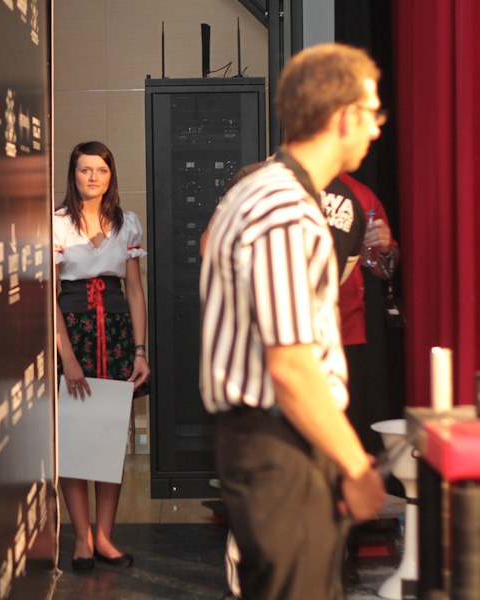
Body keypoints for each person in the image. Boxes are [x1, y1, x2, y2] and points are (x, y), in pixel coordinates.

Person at [200, 43, 387, 600]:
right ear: (344, 115)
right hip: (280, 444)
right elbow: (290, 367)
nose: (376, 129)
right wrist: (357, 467)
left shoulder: (257, 191)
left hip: (274, 441)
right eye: (372, 114)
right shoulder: (284, 207)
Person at [53, 140, 150, 573]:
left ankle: (106, 537)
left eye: (101, 171)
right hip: (72, 331)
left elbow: (134, 290)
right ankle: (81, 539)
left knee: (111, 439)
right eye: (84, 170)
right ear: (72, 175)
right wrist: (67, 358)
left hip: (115, 334)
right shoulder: (55, 225)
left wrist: (140, 349)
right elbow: (47, 297)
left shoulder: (126, 224)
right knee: (75, 439)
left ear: (111, 176)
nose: (92, 178)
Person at [337, 173, 399, 456]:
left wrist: (384, 247)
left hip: (347, 332)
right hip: (290, 332)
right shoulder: (279, 182)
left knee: (345, 432)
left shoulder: (360, 193)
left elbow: (382, 270)